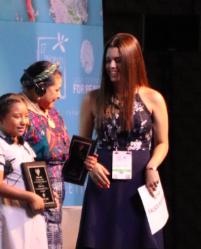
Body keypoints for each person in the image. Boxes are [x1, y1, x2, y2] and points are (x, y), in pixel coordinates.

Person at [76, 33, 169, 249]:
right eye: (108, 60)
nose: (112, 66)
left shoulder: (153, 97)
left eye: (118, 60)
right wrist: (91, 164)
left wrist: (153, 166)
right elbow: (82, 145)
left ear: (132, 61)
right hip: (103, 183)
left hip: (141, 181)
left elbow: (162, 143)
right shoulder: (92, 99)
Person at [0, 93, 48, 249]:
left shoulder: (23, 145)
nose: (24, 122)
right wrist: (30, 196)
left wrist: (46, 194)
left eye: (26, 116)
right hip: (9, 215)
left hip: (30, 214)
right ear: (0, 119)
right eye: (17, 116)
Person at [20, 61, 70, 249]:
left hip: (57, 187)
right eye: (56, 90)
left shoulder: (53, 113)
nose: (59, 94)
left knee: (53, 238)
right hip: (33, 188)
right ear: (40, 88)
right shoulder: (19, 112)